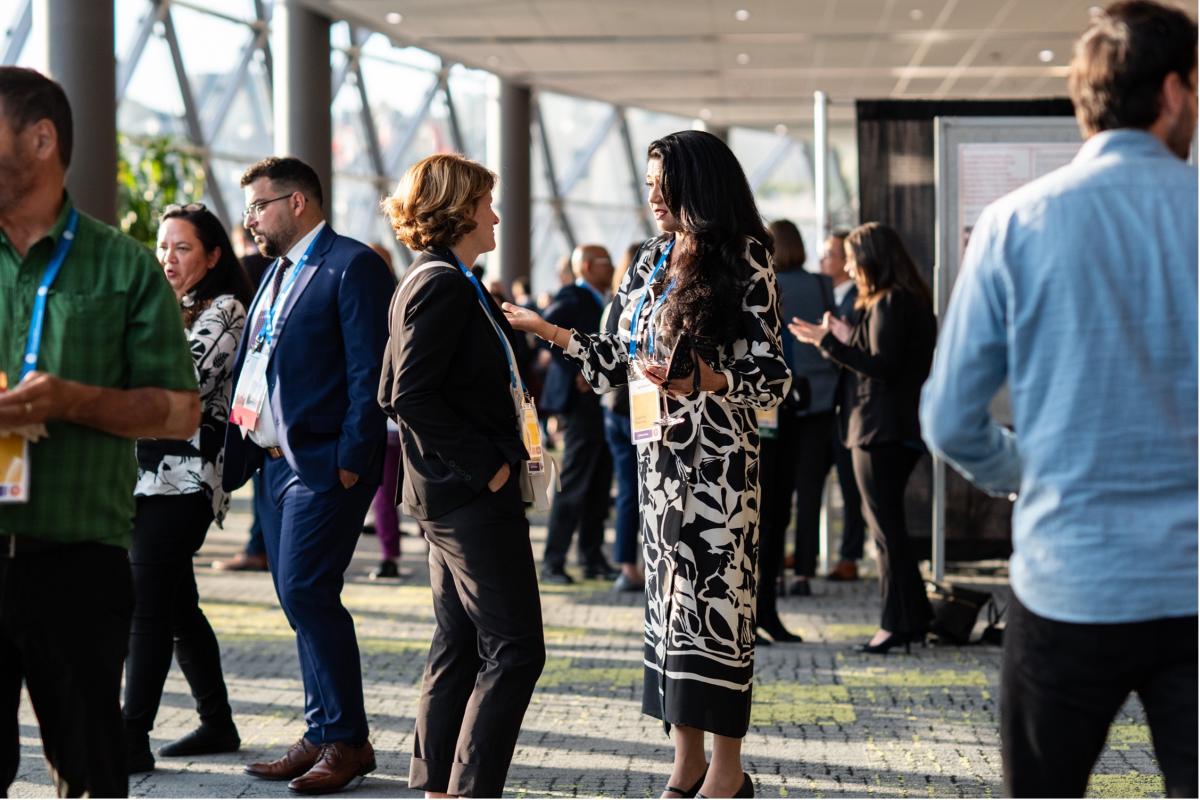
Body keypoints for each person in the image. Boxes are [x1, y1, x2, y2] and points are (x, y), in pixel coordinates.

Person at [921, 2, 1198, 795]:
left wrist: (1025, 468)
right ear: (1174, 92)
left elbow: (947, 417)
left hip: (1067, 576)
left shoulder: (1016, 223)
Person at [505, 129, 789, 800]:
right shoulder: (649, 261)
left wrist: (708, 382)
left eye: (666, 183)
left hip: (718, 469)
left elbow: (773, 376)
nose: (654, 195)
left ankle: (728, 769)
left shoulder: (744, 257)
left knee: (715, 607)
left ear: (700, 186)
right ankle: (685, 762)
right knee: (668, 614)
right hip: (657, 469)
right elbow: (615, 361)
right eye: (649, 183)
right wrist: (545, 331)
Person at [0, 67, 200, 797]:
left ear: (40, 139)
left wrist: (72, 400)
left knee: (89, 770)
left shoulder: (121, 267)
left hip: (78, 560)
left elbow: (181, 411)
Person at [222, 156, 393, 794]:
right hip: (272, 462)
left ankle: (346, 740)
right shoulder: (275, 273)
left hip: (322, 465)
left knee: (307, 590)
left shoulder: (351, 266)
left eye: (259, 206)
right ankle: (324, 731)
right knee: (297, 596)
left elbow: (366, 373)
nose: (251, 220)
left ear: (298, 202)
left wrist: (351, 461)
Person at [379, 153, 546, 799]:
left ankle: (438, 786)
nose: (496, 214)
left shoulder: (441, 278)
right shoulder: (441, 284)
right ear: (458, 210)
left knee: (460, 641)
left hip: (450, 495)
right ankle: (471, 789)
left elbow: (397, 388)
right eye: (486, 203)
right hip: (469, 497)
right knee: (516, 651)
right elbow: (406, 395)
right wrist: (493, 469)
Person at [124, 203, 252, 772]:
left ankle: (130, 738)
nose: (168, 258)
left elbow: (182, 380)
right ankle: (217, 721)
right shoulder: (165, 308)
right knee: (177, 605)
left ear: (213, 255)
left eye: (182, 248)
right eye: (162, 247)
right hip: (146, 477)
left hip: (185, 479)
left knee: (146, 605)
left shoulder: (224, 309)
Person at [790, 222, 936, 655]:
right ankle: (914, 619)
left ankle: (894, 624)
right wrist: (842, 335)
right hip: (892, 426)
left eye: (851, 256)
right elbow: (880, 353)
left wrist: (827, 343)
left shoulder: (890, 302)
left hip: (879, 427)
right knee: (889, 530)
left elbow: (881, 365)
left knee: (885, 533)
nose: (848, 266)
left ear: (871, 257)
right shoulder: (902, 300)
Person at [754, 219, 820, 642]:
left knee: (773, 515)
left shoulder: (769, 286)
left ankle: (765, 611)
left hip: (775, 414)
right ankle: (760, 612)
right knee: (768, 517)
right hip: (771, 415)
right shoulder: (804, 286)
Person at [540, 244, 618, 584]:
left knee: (600, 482)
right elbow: (545, 334)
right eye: (606, 262)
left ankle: (592, 556)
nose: (612, 267)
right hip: (579, 406)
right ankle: (554, 561)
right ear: (586, 266)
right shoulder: (572, 297)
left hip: (600, 406)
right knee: (573, 482)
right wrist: (579, 370)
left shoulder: (604, 298)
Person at [213, 226, 272, 573]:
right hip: (266, 388)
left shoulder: (247, 269)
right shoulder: (278, 268)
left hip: (248, 387)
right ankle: (261, 544)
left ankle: (258, 547)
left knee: (257, 471)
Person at [814, 229, 865, 584]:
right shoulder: (823, 296)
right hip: (822, 406)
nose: (825, 262)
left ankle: (850, 555)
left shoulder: (858, 301)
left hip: (848, 404)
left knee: (850, 486)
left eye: (830, 255)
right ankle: (812, 551)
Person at [604, 242, 646, 593]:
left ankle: (626, 564)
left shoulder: (611, 306)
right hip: (637, 408)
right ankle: (636, 565)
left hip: (613, 408)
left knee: (626, 490)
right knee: (639, 488)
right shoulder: (641, 307)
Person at [366, 241, 404, 581]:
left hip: (390, 411)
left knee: (386, 489)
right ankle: (394, 552)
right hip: (399, 412)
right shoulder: (401, 295)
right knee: (396, 487)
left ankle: (390, 555)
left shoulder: (366, 301)